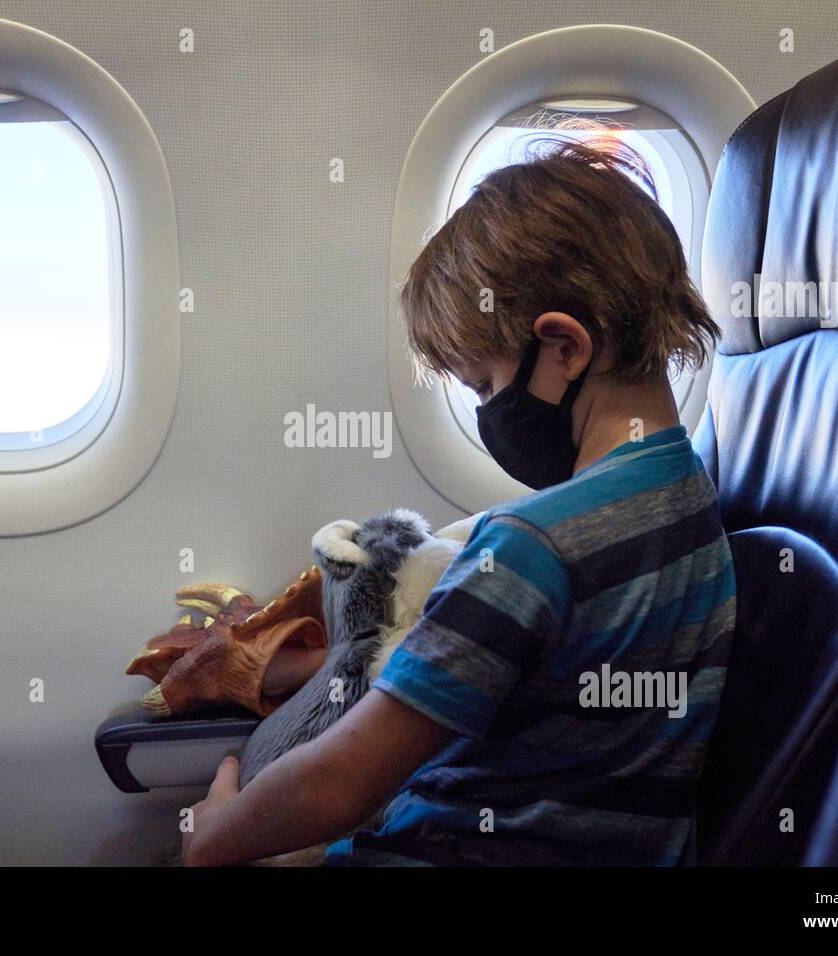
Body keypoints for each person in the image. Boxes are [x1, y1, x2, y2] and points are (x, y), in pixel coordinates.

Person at [182, 134, 736, 866]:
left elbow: (341, 784)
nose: (485, 410)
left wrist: (211, 836)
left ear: (565, 348)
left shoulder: (534, 544)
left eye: (482, 383)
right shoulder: (688, 494)